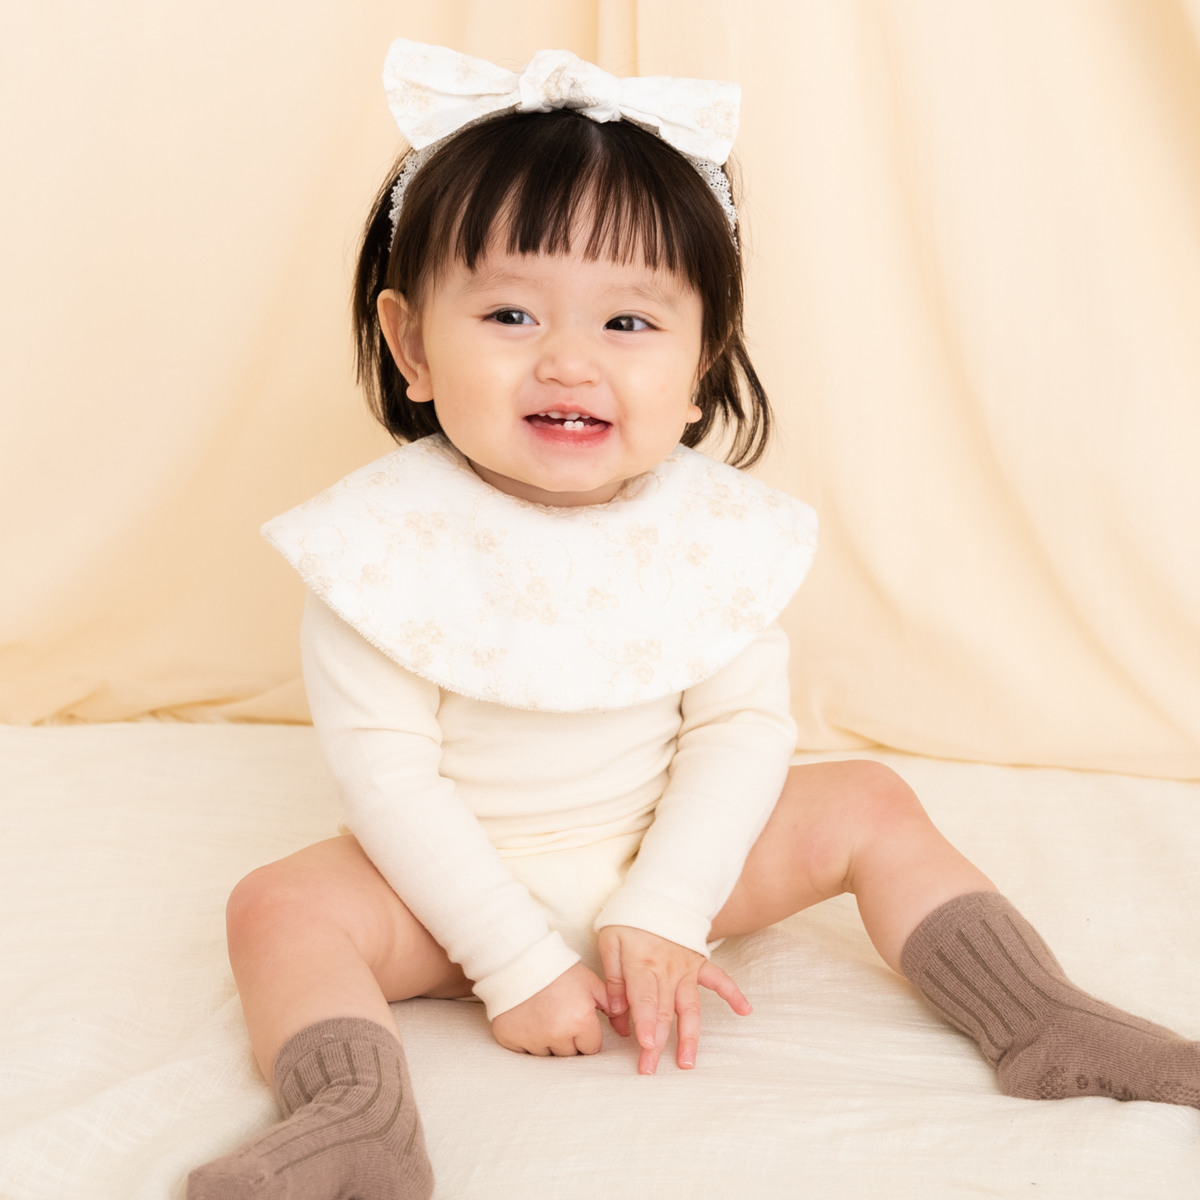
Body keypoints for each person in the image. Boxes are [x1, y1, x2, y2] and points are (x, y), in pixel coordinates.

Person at [188, 39, 1200, 1200]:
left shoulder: (712, 535)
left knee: (868, 801)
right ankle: (355, 1121)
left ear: (704, 357)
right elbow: (389, 782)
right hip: (445, 892)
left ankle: (1042, 1018)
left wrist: (668, 908)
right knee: (278, 908)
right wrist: (513, 962)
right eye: (511, 313)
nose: (569, 362)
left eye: (628, 325)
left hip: (675, 855)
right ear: (412, 343)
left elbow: (737, 733)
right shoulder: (376, 547)